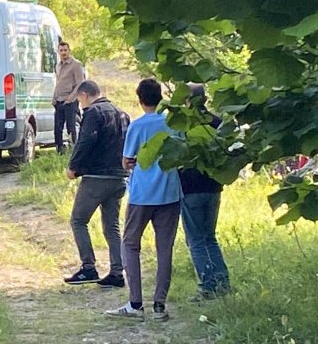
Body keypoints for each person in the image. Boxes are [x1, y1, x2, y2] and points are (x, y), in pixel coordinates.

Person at [105, 78, 182, 322]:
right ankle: (160, 304)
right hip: (169, 192)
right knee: (164, 248)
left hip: (142, 194)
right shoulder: (173, 124)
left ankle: (135, 302)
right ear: (160, 96)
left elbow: (127, 160)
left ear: (140, 99)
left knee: (130, 244)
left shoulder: (137, 126)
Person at [62, 80, 130, 288]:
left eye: (79, 99)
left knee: (78, 220)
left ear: (84, 95)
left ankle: (88, 267)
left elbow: (86, 141)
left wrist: (74, 166)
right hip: (119, 176)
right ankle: (118, 272)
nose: (80, 104)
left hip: (96, 177)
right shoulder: (122, 113)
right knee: (112, 226)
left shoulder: (93, 113)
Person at [180, 83, 232, 300]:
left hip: (190, 188)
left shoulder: (182, 125)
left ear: (188, 101)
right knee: (210, 237)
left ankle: (207, 286)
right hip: (213, 187)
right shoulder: (218, 122)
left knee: (196, 240)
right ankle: (223, 283)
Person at [52, 41, 86, 154]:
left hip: (70, 101)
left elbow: (80, 84)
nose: (63, 53)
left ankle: (73, 151)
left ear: (69, 50)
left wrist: (70, 99)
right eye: (61, 50)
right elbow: (58, 82)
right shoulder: (58, 65)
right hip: (59, 100)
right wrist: (54, 98)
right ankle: (59, 151)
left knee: (71, 127)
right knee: (57, 128)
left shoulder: (76, 65)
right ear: (58, 52)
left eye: (65, 50)